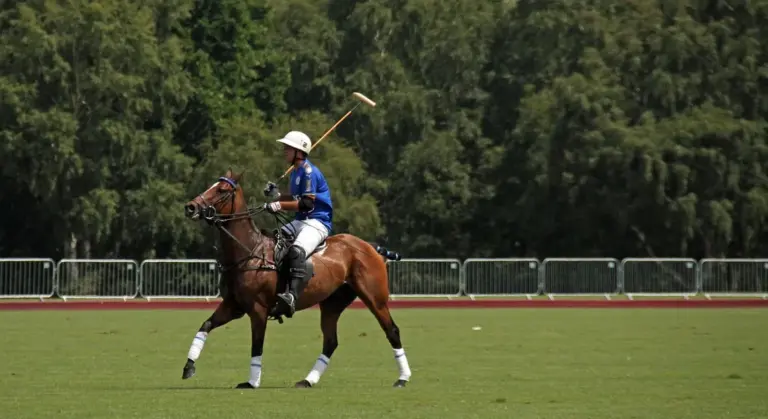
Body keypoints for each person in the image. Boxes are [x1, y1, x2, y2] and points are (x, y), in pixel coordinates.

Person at [262, 130, 333, 317]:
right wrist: (276, 195)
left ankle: (292, 296)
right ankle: (275, 290)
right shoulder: (296, 173)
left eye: (288, 148)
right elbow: (293, 198)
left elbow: (306, 203)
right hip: (301, 221)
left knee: (296, 251)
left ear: (299, 152)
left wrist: (278, 205)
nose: (284, 151)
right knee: (274, 243)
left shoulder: (309, 172)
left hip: (317, 221)